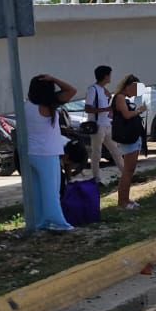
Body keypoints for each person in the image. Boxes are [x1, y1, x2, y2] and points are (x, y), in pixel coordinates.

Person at [25, 73, 77, 232]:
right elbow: (72, 90)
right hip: (47, 153)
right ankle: (58, 221)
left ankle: (39, 222)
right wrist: (55, 79)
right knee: (51, 190)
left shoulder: (27, 105)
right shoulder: (48, 107)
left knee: (37, 191)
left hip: (31, 153)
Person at [111, 74, 147, 210]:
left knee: (130, 170)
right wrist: (139, 111)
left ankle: (125, 198)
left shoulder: (124, 98)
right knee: (128, 170)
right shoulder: (120, 97)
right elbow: (126, 115)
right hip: (127, 137)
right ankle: (122, 202)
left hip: (133, 136)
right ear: (128, 86)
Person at [85, 65, 122, 182]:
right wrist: (105, 109)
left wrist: (109, 111)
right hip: (97, 125)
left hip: (106, 124)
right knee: (96, 152)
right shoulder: (92, 89)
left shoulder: (103, 90)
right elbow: (88, 108)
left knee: (115, 150)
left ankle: (126, 173)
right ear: (105, 76)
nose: (111, 77)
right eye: (110, 75)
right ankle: (96, 178)